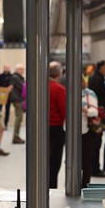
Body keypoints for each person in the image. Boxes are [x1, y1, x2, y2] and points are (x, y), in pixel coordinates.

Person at [88, 60, 105, 177]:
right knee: (96, 143)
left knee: (96, 143)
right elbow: (96, 97)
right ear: (101, 68)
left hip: (98, 116)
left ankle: (94, 168)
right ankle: (95, 169)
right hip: (97, 117)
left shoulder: (97, 78)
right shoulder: (98, 79)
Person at [48, 61, 67, 189]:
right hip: (55, 129)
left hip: (41, 128)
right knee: (54, 163)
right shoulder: (59, 89)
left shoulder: (39, 86)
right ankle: (51, 188)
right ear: (59, 74)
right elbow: (65, 111)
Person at [81, 75, 99, 187]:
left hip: (86, 131)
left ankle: (84, 186)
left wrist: (82, 109)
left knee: (86, 162)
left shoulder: (89, 94)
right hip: (71, 132)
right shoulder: (68, 92)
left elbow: (94, 112)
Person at [9, 63, 26, 144]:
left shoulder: (18, 77)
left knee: (19, 118)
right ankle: (15, 136)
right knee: (19, 118)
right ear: (17, 70)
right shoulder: (15, 77)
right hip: (17, 100)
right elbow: (23, 87)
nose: (23, 71)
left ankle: (16, 136)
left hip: (19, 99)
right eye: (21, 69)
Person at [0, 63, 13, 128]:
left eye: (8, 68)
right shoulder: (0, 76)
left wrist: (9, 88)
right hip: (1, 94)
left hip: (8, 95)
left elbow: (11, 85)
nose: (6, 69)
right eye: (5, 68)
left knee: (7, 110)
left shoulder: (11, 76)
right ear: (4, 68)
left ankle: (5, 124)